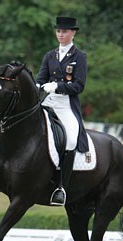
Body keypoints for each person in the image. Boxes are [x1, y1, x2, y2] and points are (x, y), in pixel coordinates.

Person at [36, 16, 89, 206]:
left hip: (66, 104)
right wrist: (37, 85)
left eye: (64, 31)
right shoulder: (49, 55)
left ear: (73, 33)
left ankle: (61, 188)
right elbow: (40, 78)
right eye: (58, 31)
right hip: (48, 102)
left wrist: (57, 86)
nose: (61, 34)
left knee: (71, 139)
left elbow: (79, 86)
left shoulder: (79, 56)